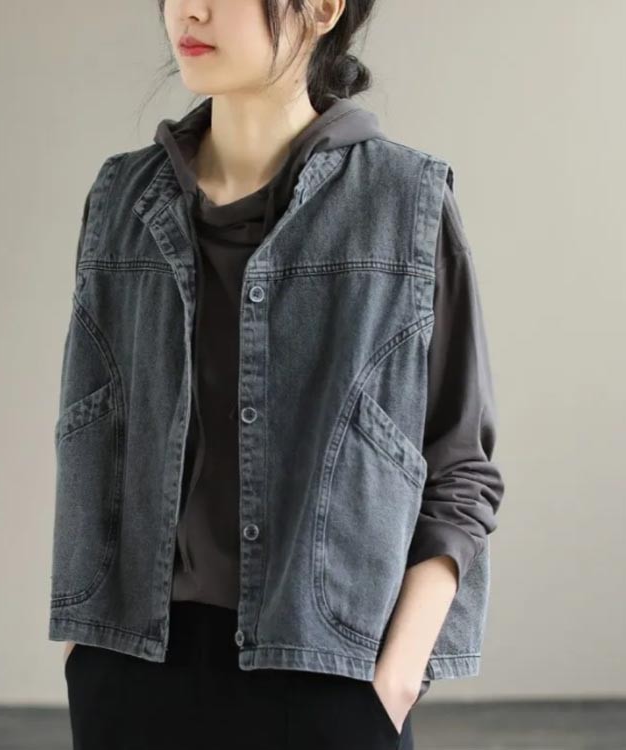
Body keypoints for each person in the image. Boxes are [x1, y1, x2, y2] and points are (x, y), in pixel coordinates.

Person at [51, 1, 505, 748]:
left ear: (322, 8)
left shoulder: (405, 203)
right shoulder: (120, 200)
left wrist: (393, 680)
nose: (189, 10)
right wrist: (84, 656)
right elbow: (90, 433)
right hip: (131, 674)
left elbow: (460, 470)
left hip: (329, 683)